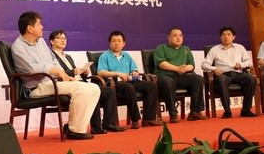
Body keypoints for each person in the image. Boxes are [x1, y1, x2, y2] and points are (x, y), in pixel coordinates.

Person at [11, 11, 100, 140]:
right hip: (37, 87)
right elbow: (31, 69)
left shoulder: (40, 42)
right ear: (30, 28)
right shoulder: (18, 47)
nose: (42, 27)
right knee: (82, 89)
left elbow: (53, 60)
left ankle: (73, 128)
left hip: (53, 82)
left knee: (94, 88)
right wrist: (56, 71)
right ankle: (75, 130)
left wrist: (64, 75)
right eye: (39, 24)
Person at [49, 30, 125, 134]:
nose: (63, 41)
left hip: (79, 83)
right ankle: (96, 127)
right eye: (59, 38)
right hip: (67, 85)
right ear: (52, 41)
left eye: (64, 39)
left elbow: (76, 73)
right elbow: (56, 73)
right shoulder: (50, 57)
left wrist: (84, 73)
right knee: (92, 91)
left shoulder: (68, 57)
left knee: (109, 91)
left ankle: (109, 123)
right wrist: (73, 71)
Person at [96, 30, 162, 129]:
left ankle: (149, 119)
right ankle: (135, 119)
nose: (116, 43)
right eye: (114, 41)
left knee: (151, 86)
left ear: (124, 43)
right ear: (110, 43)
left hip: (129, 80)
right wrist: (117, 73)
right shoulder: (104, 56)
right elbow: (101, 72)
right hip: (115, 83)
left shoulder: (126, 55)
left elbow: (133, 69)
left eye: (119, 41)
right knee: (129, 87)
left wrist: (134, 72)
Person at [201, 26, 257, 118]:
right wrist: (215, 69)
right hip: (224, 74)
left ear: (233, 37)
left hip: (238, 73)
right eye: (223, 35)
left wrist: (241, 65)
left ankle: (246, 110)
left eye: (228, 35)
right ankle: (227, 111)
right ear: (220, 37)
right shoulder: (215, 49)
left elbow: (249, 62)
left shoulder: (240, 47)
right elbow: (204, 64)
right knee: (221, 81)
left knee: (251, 79)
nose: (226, 37)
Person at [154, 27, 207, 122]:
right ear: (168, 38)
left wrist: (184, 69)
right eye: (175, 36)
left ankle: (194, 112)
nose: (178, 38)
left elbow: (191, 65)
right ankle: (173, 114)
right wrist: (176, 68)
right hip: (166, 76)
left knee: (198, 79)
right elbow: (161, 63)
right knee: (167, 82)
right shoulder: (161, 48)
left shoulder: (186, 49)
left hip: (182, 76)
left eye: (180, 36)